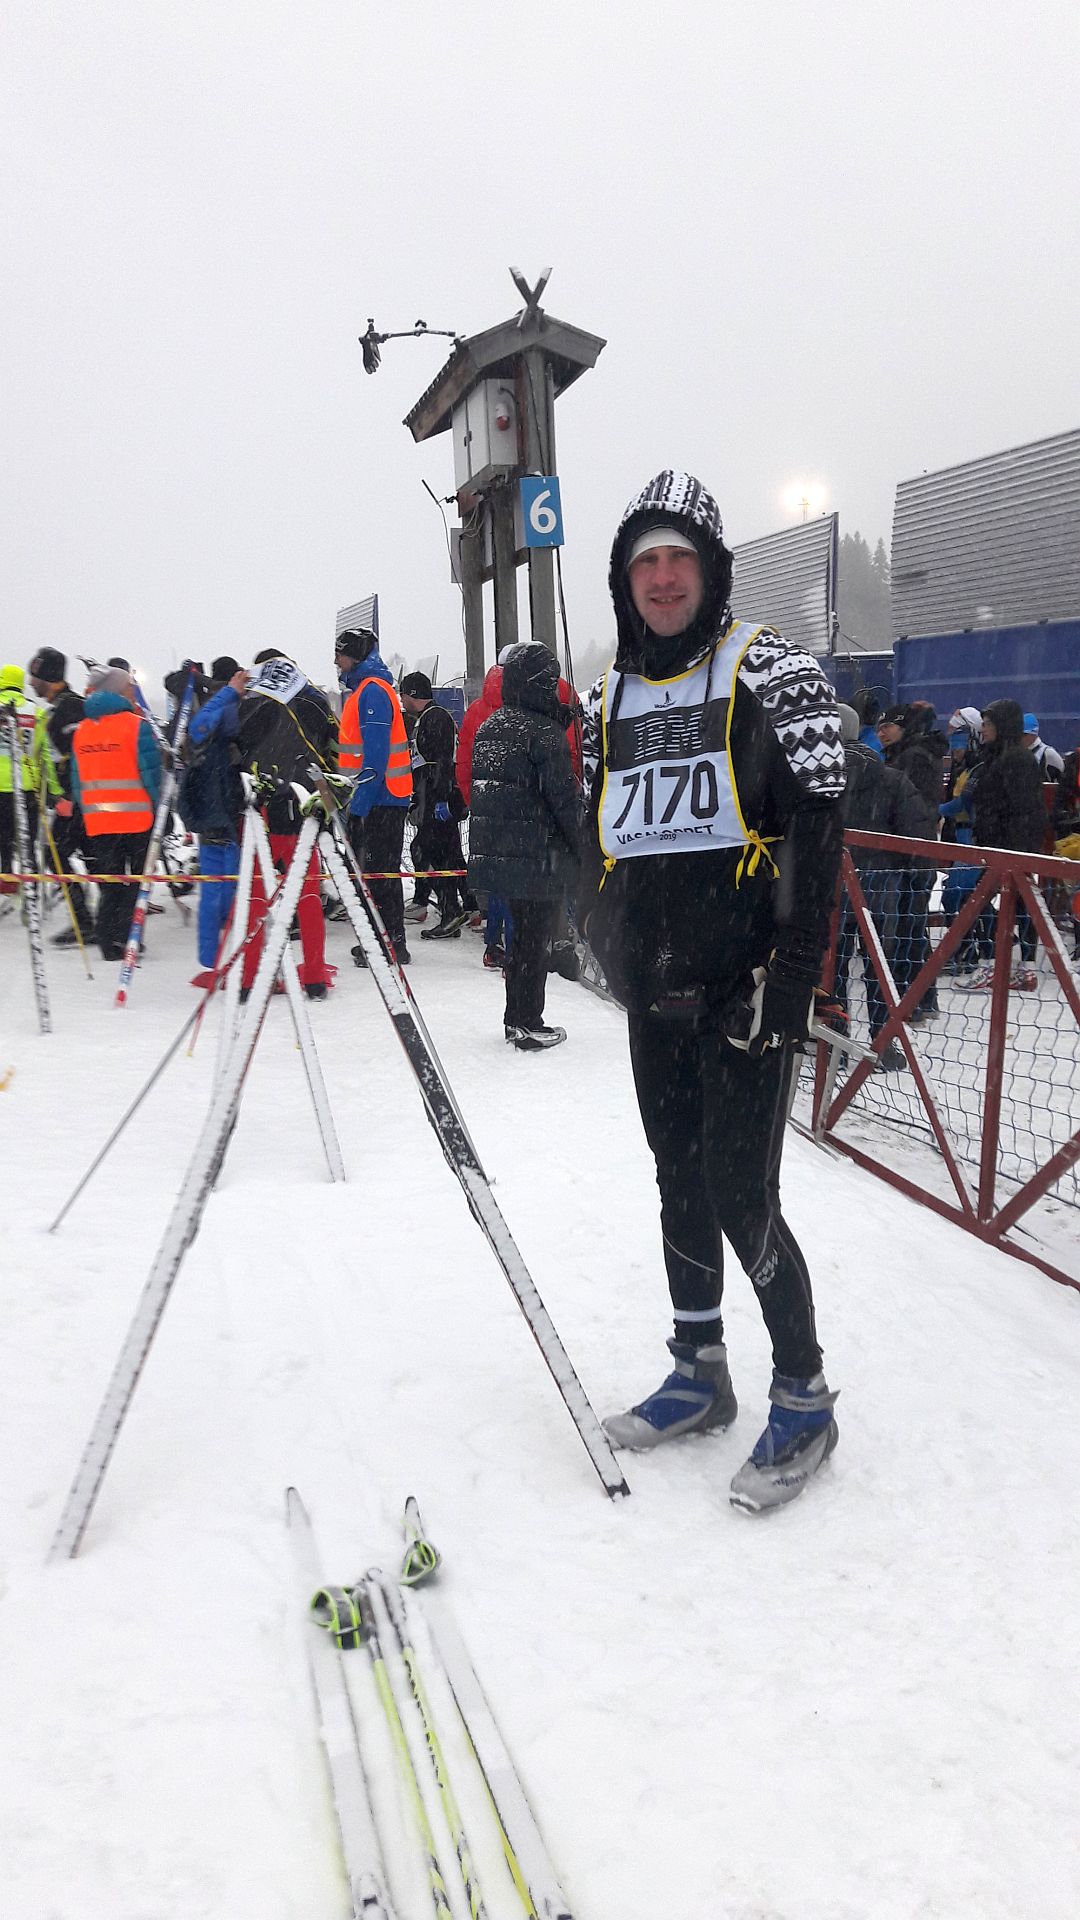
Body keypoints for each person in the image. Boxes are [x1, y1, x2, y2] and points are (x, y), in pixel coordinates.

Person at [578, 470, 845, 1513]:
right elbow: (604, 829)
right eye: (644, 560)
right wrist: (603, 935)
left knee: (741, 1194)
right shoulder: (610, 693)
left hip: (744, 994)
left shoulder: (769, 669)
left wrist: (795, 978)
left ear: (711, 570)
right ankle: (699, 1371)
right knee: (677, 1181)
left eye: (678, 558)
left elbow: (820, 831)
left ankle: (804, 1396)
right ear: (623, 578)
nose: (662, 577)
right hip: (658, 994)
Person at [468, 641, 581, 1049]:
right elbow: (563, 800)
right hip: (537, 853)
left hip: (499, 853)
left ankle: (515, 1017)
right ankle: (529, 1021)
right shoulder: (544, 733)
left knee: (519, 940)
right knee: (535, 942)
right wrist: (585, 846)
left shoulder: (492, 726)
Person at [235, 648, 337, 999]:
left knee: (254, 899)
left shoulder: (251, 703)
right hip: (303, 806)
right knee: (308, 897)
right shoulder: (314, 701)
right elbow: (333, 752)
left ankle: (248, 980)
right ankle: (314, 978)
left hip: (262, 810)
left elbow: (237, 751)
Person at [834, 702, 927, 1069]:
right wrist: (917, 879)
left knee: (833, 966)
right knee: (880, 967)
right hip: (880, 885)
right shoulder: (891, 778)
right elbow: (916, 833)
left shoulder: (818, 778)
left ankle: (835, 1042)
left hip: (832, 885)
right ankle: (884, 1043)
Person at [69, 666, 162, 959]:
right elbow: (150, 775)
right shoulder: (137, 726)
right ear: (120, 691)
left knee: (110, 881)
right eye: (130, 686)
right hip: (137, 818)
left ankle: (107, 939)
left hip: (99, 819)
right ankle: (127, 936)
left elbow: (77, 781)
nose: (134, 691)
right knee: (136, 881)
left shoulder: (82, 730)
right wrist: (158, 806)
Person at [335, 628, 413, 966]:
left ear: (354, 656)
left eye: (340, 654)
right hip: (380, 797)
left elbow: (375, 757)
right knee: (379, 872)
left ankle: (387, 943)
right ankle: (387, 941)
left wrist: (359, 807)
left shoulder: (372, 692)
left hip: (381, 799)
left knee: (379, 874)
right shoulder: (368, 690)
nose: (336, 661)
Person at [958, 698, 1047, 992]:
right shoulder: (1000, 757)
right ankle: (1023, 968)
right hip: (1006, 847)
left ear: (1003, 726)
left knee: (980, 901)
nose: (983, 729)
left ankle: (991, 963)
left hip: (1008, 849)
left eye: (988, 724)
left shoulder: (1014, 760)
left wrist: (1008, 847)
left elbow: (1020, 809)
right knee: (1021, 903)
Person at [876, 703, 946, 1023]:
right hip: (916, 851)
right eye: (879, 727)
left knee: (906, 929)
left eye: (888, 726)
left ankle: (911, 1000)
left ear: (904, 728)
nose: (881, 733)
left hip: (910, 854)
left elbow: (909, 809)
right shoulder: (911, 754)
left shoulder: (912, 758)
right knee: (912, 928)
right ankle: (923, 998)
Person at [178, 656, 246, 980]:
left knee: (221, 890)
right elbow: (200, 728)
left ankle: (216, 961)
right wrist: (231, 693)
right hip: (222, 810)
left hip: (216, 808)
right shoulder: (222, 706)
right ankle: (218, 962)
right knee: (225, 890)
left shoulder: (212, 705)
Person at [27, 647, 95, 943]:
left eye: (34, 677)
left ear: (47, 677)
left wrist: (68, 795)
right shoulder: (61, 708)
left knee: (58, 855)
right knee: (91, 859)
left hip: (78, 801)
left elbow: (77, 757)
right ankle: (103, 923)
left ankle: (92, 923)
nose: (31, 683)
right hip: (75, 799)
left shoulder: (69, 709)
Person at [399, 671, 471, 940]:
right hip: (432, 797)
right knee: (450, 854)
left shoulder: (435, 718)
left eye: (403, 695)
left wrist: (440, 799)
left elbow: (441, 761)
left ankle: (451, 911)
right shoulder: (428, 718)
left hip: (437, 799)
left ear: (413, 694)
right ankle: (469, 905)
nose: (402, 701)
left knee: (426, 852)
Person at [0, 665, 50, 897]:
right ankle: (31, 881)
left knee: (3, 838)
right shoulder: (35, 711)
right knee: (28, 840)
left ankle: (6, 877)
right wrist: (53, 788)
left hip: (1, 788)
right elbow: (45, 753)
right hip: (28, 785)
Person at [1023, 713, 1064, 781]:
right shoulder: (1015, 753)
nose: (1020, 737)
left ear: (1034, 734)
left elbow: (1062, 783)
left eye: (1024, 734)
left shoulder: (1048, 754)